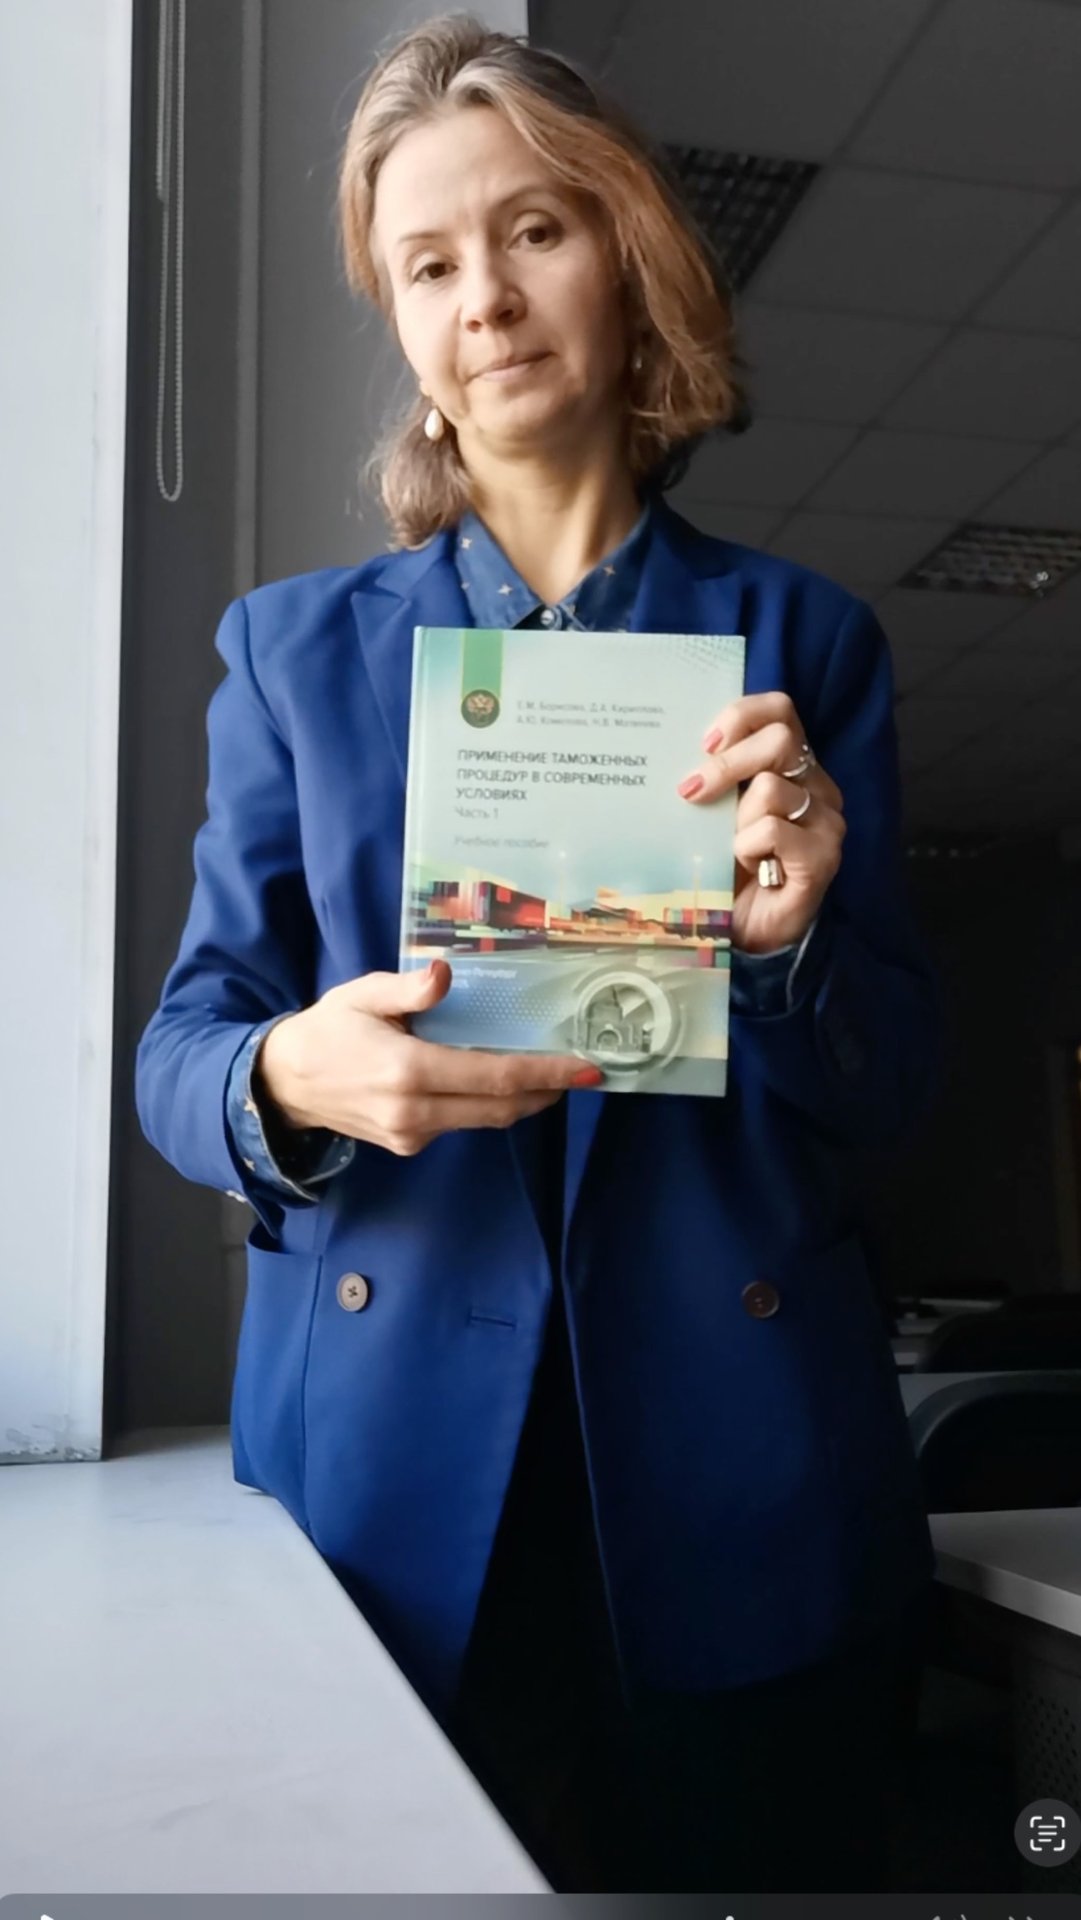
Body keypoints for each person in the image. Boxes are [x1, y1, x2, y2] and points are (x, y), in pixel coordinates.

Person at [135, 14, 941, 1895]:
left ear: (627, 260)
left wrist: (795, 945)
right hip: (389, 1475)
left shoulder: (804, 645)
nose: (483, 298)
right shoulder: (291, 654)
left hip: (742, 1471)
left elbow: (895, 1087)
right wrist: (287, 1076)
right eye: (427, 265)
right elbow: (184, 1044)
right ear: (403, 328)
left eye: (531, 232)